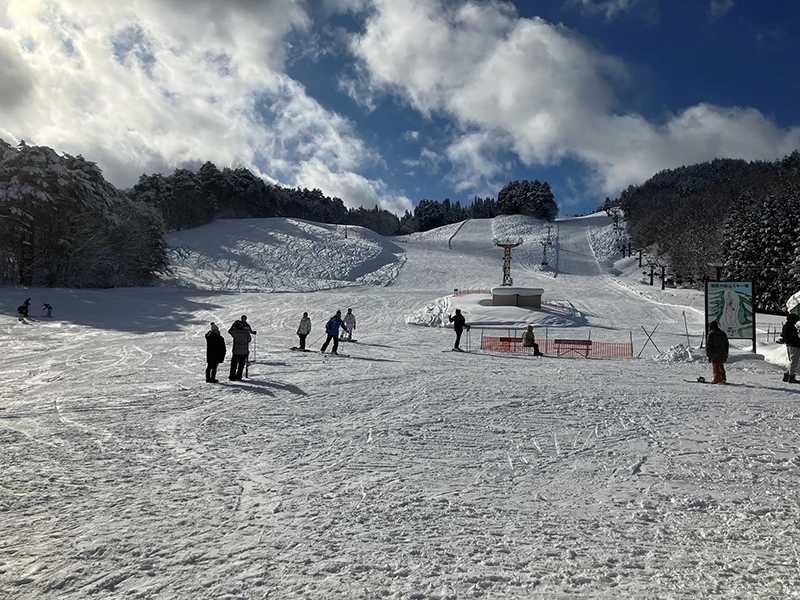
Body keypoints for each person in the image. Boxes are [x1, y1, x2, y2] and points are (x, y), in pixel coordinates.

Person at [706, 320, 729, 384]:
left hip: (714, 354)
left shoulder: (711, 334)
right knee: (721, 365)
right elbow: (727, 344)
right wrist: (726, 353)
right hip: (723, 353)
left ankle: (717, 379)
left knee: (716, 367)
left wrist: (708, 355)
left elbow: (709, 346)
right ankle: (723, 378)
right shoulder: (723, 333)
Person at [781, 313, 800, 383]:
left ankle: (786, 375)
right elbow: (793, 337)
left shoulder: (787, 326)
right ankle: (791, 377)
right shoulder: (790, 327)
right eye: (796, 320)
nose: (796, 321)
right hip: (793, 345)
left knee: (792, 361)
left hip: (790, 345)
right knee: (794, 362)